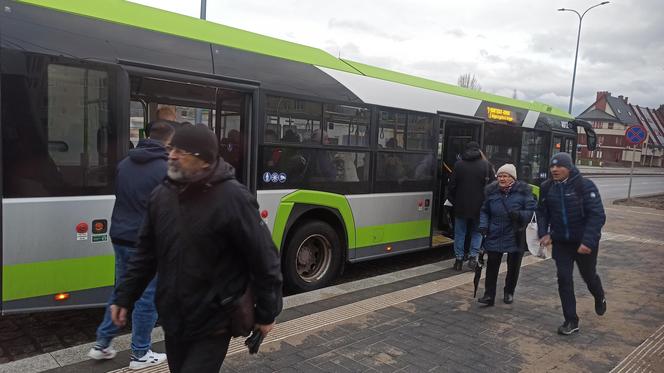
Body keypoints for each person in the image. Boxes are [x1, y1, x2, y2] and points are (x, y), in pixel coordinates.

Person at [111, 125, 283, 372]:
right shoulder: (161, 195)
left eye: (182, 151)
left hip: (213, 320)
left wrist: (267, 312)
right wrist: (124, 296)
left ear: (204, 160)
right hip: (173, 318)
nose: (171, 155)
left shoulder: (233, 197)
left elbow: (264, 257)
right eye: (171, 149)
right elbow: (145, 253)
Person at [88, 121, 174, 369]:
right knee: (146, 297)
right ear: (168, 142)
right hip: (145, 240)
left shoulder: (125, 163)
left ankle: (102, 344)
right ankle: (140, 353)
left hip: (120, 235)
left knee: (122, 290)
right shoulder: (165, 168)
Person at [537, 152, 607, 335]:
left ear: (569, 168)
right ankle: (571, 320)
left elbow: (597, 215)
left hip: (584, 242)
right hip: (561, 243)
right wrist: (544, 233)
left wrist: (588, 241)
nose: (554, 169)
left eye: (559, 166)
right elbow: (542, 212)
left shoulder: (584, 186)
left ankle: (599, 296)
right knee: (564, 279)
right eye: (552, 166)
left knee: (588, 276)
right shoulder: (547, 187)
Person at [478, 164, 536, 306]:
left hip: (515, 234)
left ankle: (509, 292)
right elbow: (484, 210)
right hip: (495, 232)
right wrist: (484, 225)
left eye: (505, 176)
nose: (502, 178)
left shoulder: (524, 193)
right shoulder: (491, 192)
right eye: (500, 176)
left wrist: (519, 215)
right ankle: (489, 295)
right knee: (492, 265)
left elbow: (532, 211)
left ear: (513, 178)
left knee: (514, 266)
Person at [447, 141, 492, 271]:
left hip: (461, 206)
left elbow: (452, 186)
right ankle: (473, 257)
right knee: (477, 232)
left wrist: (454, 201)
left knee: (460, 233)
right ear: (479, 151)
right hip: (480, 208)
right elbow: (493, 188)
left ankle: (458, 260)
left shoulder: (459, 165)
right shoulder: (487, 166)